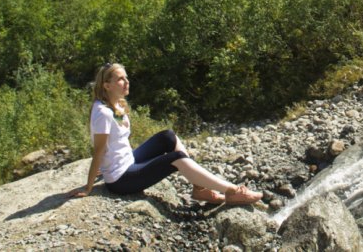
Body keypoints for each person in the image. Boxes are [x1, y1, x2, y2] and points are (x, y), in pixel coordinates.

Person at [69, 62, 263, 206]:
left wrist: (105, 166)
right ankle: (232, 191)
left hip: (128, 161)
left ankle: (200, 189)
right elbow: (99, 150)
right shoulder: (103, 112)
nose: (126, 82)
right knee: (176, 158)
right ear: (106, 85)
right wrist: (88, 186)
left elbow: (115, 143)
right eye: (120, 79)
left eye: (126, 77)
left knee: (168, 136)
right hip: (121, 179)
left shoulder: (114, 104)